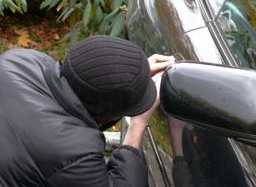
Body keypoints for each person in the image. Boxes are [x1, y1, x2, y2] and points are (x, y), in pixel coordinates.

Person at [0, 35, 174, 187]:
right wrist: (138, 123)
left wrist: (135, 75)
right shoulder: (74, 154)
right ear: (106, 116)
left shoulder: (19, 59)